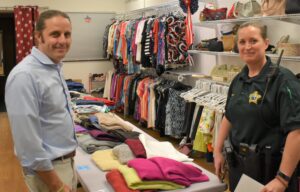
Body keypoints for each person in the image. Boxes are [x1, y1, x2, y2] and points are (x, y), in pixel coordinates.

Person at [214, 21, 300, 192]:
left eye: (253, 41)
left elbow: (296, 131)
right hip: (239, 167)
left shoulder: (284, 81)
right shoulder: (238, 79)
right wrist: (217, 151)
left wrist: (282, 179)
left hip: (271, 172)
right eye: (242, 42)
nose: (247, 47)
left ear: (266, 43)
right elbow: (229, 116)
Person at [5, 10, 77, 192]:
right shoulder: (25, 76)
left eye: (67, 34)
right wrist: (57, 185)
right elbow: (27, 144)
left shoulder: (53, 67)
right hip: (49, 173)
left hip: (65, 164)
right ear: (38, 36)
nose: (63, 40)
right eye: (55, 34)